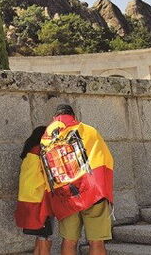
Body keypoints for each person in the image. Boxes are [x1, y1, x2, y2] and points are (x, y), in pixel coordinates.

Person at [40, 104, 114, 255]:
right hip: (93, 194)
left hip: (65, 197)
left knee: (69, 241)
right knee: (96, 241)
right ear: (73, 116)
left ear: (55, 119)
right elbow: (106, 160)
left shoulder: (45, 141)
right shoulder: (88, 130)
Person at [15, 125, 52, 255]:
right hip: (40, 204)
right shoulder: (39, 153)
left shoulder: (28, 154)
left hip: (28, 202)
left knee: (40, 239)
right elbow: (44, 178)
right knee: (44, 240)